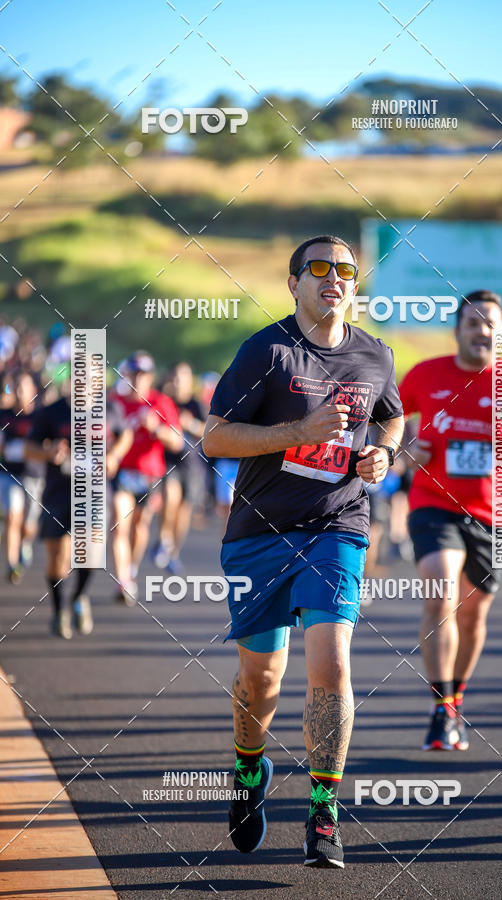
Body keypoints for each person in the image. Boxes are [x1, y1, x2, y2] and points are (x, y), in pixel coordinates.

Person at [202, 235, 404, 868]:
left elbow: (392, 417)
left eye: (345, 269)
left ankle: (323, 812)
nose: (333, 277)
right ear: (294, 284)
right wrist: (297, 432)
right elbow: (215, 439)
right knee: (261, 679)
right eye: (318, 268)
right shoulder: (267, 351)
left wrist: (384, 453)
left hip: (337, 526)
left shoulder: (375, 355)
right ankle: (249, 767)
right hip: (259, 532)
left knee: (332, 662)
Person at [399, 290, 502, 752]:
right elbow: (383, 419)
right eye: (473, 322)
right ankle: (440, 707)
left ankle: (455, 702)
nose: (482, 331)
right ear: (457, 331)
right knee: (440, 590)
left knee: (473, 616)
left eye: (491, 324)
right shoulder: (425, 374)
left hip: (499, 510)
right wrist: (405, 448)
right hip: (434, 502)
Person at [25, 367, 95, 638]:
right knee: (57, 557)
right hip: (58, 492)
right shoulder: (51, 412)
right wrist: (49, 452)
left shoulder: (108, 409)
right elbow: (29, 448)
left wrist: (113, 456)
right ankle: (58, 612)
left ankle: (79, 596)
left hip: (92, 493)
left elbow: (123, 435)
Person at [110, 352, 182, 603]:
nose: (138, 379)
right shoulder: (115, 402)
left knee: (139, 527)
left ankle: (131, 570)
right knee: (119, 524)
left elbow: (177, 442)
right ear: (126, 375)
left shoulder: (161, 402)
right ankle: (123, 581)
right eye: (134, 374)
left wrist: (156, 428)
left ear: (150, 377)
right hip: (121, 472)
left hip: (149, 475)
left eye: (143, 375)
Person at [152, 362, 206, 572]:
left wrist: (190, 424)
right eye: (174, 377)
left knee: (184, 512)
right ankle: (164, 540)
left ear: (190, 381)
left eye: (182, 378)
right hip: (168, 460)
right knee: (170, 497)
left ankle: (173, 552)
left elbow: (209, 432)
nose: (177, 382)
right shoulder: (165, 402)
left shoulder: (196, 405)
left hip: (192, 465)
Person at [0, 370, 43, 582]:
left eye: (23, 388)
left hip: (35, 476)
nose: (18, 392)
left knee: (28, 524)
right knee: (12, 517)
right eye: (15, 388)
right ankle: (12, 564)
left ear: (32, 391)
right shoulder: (4, 415)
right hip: (9, 474)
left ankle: (24, 544)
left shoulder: (41, 416)